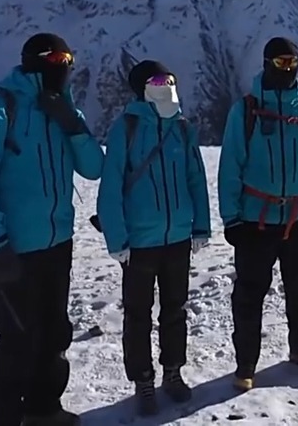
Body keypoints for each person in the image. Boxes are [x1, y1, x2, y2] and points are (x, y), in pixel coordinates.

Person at [0, 32, 105, 426]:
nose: (66, 68)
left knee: (54, 333)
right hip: (14, 249)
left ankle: (43, 410)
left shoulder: (63, 111)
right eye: (58, 60)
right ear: (37, 62)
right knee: (17, 342)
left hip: (58, 243)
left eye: (69, 61)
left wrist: (72, 124)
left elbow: (94, 168)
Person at [217, 36, 298, 392]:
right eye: (280, 62)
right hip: (254, 221)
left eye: (292, 62)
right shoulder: (245, 111)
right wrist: (231, 218)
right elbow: (231, 166)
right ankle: (246, 363)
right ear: (266, 63)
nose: (287, 69)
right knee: (249, 294)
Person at [95, 59, 212, 417]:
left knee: (175, 310)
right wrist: (117, 240)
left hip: (177, 237)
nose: (167, 85)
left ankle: (172, 372)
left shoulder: (182, 128)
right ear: (142, 88)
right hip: (140, 242)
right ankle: (143, 380)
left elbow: (196, 178)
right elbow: (111, 186)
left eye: (170, 79)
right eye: (159, 80)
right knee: (138, 315)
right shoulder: (126, 128)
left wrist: (201, 226)